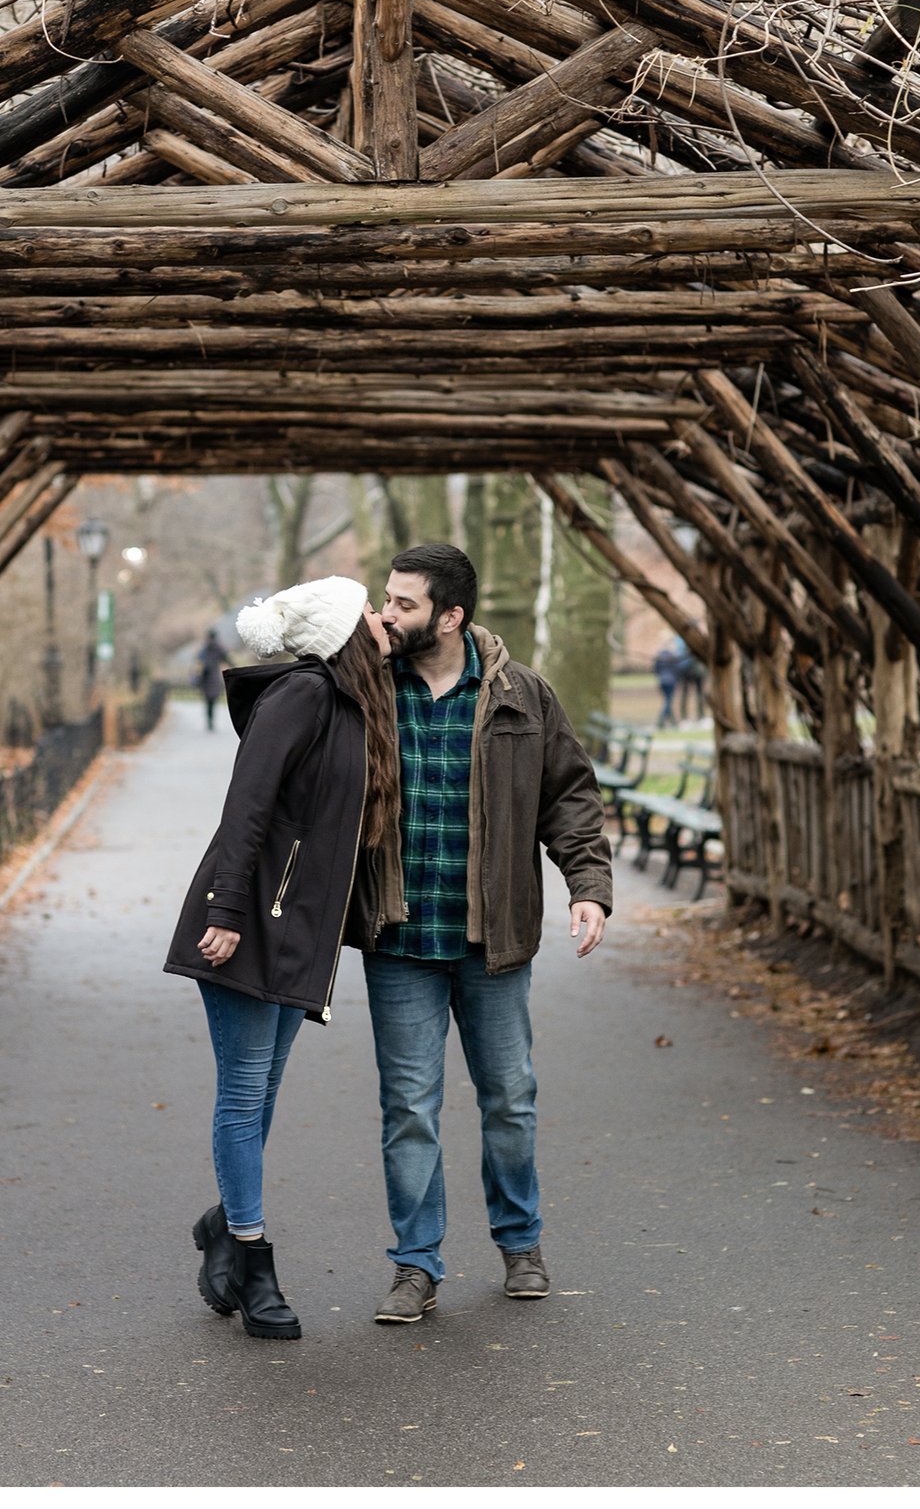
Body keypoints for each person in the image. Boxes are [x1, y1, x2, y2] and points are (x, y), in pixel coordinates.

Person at [362, 543, 613, 1326]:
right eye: (385, 597)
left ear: (451, 615)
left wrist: (589, 887)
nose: (386, 612)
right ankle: (416, 1265)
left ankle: (520, 1242)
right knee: (409, 1106)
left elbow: (569, 793)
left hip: (491, 938)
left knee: (510, 1098)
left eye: (403, 603)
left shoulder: (521, 694)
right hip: (400, 937)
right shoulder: (365, 689)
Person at [162, 576, 403, 1341]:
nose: (384, 618)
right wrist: (227, 909)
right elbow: (247, 804)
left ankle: (225, 1221)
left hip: (300, 931)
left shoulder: (359, 703)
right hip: (247, 922)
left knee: (261, 1092)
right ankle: (252, 1257)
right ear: (343, 629)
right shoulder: (299, 695)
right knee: (242, 1093)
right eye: (373, 608)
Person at [193, 627, 229, 732]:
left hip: (205, 677)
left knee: (207, 700)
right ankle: (211, 719)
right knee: (213, 700)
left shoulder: (205, 648)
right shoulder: (219, 647)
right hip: (214, 677)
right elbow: (227, 658)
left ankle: (209, 719)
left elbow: (198, 660)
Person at [652, 634, 684, 727]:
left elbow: (655, 669)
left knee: (667, 700)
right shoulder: (673, 656)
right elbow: (677, 669)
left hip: (662, 680)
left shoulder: (659, 655)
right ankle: (661, 720)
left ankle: (673, 722)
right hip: (671, 681)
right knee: (668, 701)